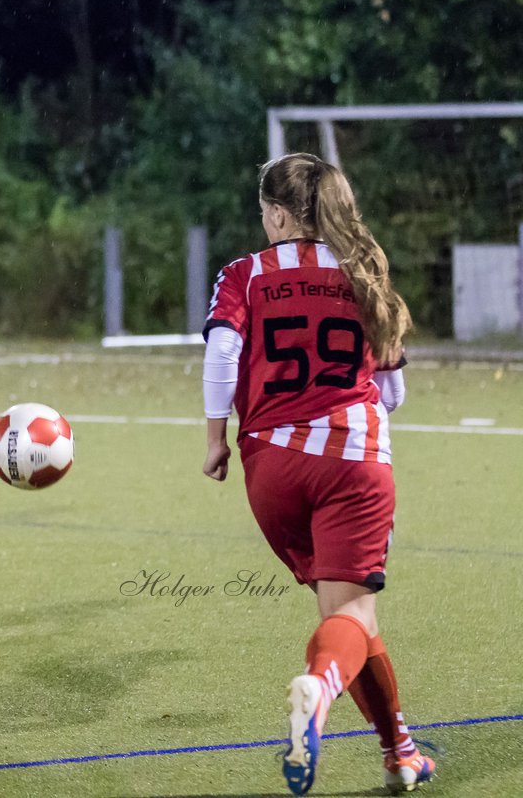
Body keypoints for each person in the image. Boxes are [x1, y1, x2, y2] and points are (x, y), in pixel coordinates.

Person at [201, 153, 435, 795]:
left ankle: (401, 754)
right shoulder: (364, 270)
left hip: (270, 470)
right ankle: (319, 690)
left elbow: (223, 351)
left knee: (350, 617)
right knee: (350, 619)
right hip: (352, 463)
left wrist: (215, 438)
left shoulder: (244, 274)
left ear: (277, 213)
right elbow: (393, 394)